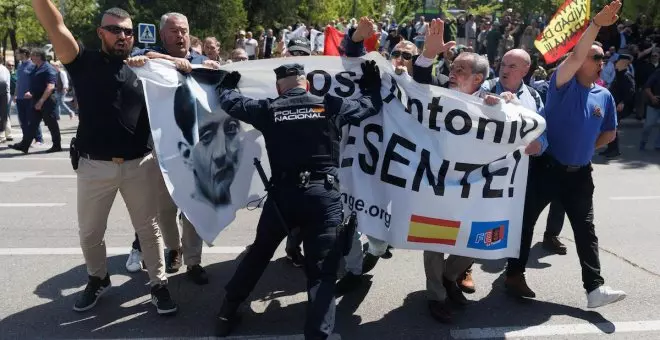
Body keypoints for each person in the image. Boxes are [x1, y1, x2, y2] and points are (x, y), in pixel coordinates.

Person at [213, 61, 382, 339]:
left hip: (283, 197)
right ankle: (318, 335)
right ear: (307, 83)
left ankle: (225, 314)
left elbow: (231, 102)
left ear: (280, 87)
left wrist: (227, 83)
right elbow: (368, 106)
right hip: (323, 198)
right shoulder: (329, 104)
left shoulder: (268, 108)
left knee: (259, 254)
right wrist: (371, 84)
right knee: (322, 273)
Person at [31, 2, 177, 314]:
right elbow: (55, 25)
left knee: (149, 230)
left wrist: (162, 59)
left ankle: (159, 284)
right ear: (101, 33)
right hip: (94, 166)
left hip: (139, 165)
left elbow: (183, 66)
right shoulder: (82, 62)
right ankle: (98, 279)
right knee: (90, 233)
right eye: (114, 30)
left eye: (127, 31)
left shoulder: (143, 68)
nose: (122, 36)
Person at [413, 19, 545, 323]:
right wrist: (428, 54)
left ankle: (450, 277)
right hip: (438, 183)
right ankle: (436, 296)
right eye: (453, 68)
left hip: (478, 189)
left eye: (460, 70)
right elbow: (419, 81)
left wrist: (506, 109)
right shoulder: (440, 93)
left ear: (478, 78)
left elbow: (528, 135)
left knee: (479, 239)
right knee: (433, 240)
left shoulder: (492, 104)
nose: (452, 74)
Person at [504, 0, 627, 309]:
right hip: (546, 168)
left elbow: (609, 133)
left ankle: (594, 288)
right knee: (525, 222)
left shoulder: (605, 95)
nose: (601, 61)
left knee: (586, 231)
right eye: (595, 56)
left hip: (580, 174)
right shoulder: (563, 83)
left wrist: (584, 149)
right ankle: (514, 274)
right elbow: (574, 56)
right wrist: (596, 25)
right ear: (582, 58)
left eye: (602, 57)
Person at [124, 12, 217, 285]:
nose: (180, 36)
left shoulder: (202, 62)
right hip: (163, 150)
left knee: (192, 211)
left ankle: (193, 261)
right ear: (163, 35)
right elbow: (139, 58)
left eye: (184, 30)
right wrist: (174, 61)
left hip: (196, 150)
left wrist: (211, 67)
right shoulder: (148, 56)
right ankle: (173, 249)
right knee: (164, 210)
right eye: (174, 31)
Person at [8, 48, 62, 154]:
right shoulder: (36, 68)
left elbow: (50, 86)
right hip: (36, 99)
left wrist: (41, 101)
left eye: (32, 55)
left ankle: (57, 145)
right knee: (32, 124)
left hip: (47, 100)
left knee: (51, 124)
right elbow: (36, 84)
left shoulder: (48, 68)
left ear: (38, 56)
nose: (31, 57)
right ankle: (24, 145)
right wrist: (31, 94)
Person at [600, 53, 636, 157]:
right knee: (610, 127)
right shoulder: (619, 73)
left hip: (620, 106)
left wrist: (623, 102)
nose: (616, 63)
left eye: (618, 61)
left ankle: (614, 150)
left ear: (625, 63)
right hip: (613, 105)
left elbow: (631, 91)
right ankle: (610, 148)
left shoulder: (626, 75)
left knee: (612, 128)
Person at [14, 47, 44, 146]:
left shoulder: (32, 66)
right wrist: (15, 94)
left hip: (29, 98)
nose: (17, 55)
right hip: (19, 97)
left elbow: (36, 81)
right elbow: (18, 82)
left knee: (32, 119)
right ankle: (26, 139)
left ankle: (38, 138)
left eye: (18, 53)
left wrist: (33, 93)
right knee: (22, 120)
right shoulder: (19, 65)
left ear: (24, 54)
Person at [640, 65, 660, 150]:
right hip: (654, 103)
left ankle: (658, 145)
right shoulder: (657, 73)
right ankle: (643, 141)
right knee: (649, 125)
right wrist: (652, 97)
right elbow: (647, 87)